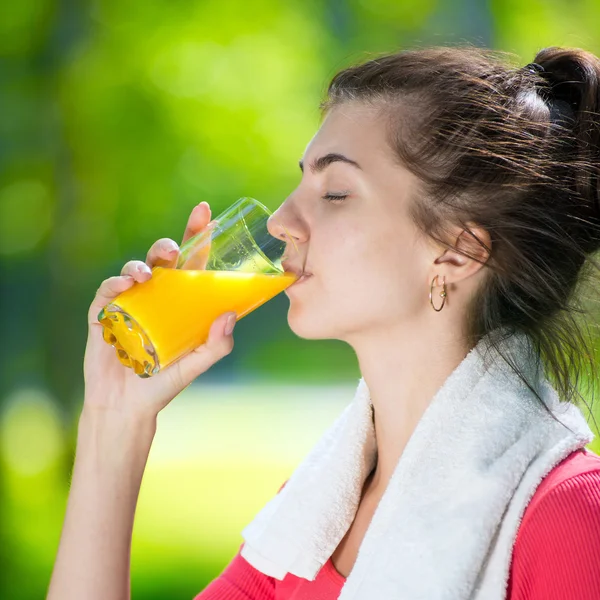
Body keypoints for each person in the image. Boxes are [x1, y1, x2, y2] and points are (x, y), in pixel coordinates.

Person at [46, 45, 600, 600]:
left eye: (335, 192)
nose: (283, 221)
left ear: (456, 253)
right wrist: (113, 422)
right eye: (301, 183)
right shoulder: (311, 521)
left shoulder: (569, 516)